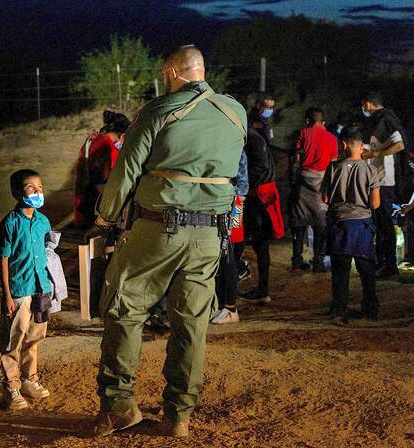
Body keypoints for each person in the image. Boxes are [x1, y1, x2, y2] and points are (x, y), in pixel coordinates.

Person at [93, 45, 246, 438]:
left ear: (173, 72)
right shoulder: (235, 112)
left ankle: (119, 406)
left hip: (158, 229)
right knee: (191, 324)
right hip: (210, 235)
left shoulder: (159, 112)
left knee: (124, 308)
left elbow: (127, 168)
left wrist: (106, 214)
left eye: (165, 75)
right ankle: (179, 414)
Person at [0, 169, 53, 410]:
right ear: (17, 192)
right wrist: (7, 295)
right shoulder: (10, 222)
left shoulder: (43, 221)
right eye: (31, 188)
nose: (37, 192)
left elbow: (50, 253)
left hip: (41, 288)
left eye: (39, 187)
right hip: (20, 290)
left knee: (35, 337)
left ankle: (30, 380)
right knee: (13, 339)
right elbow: (4, 259)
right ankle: (11, 385)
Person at [321, 126, 381, 321]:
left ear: (344, 144)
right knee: (366, 270)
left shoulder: (333, 167)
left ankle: (339, 309)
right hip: (362, 225)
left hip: (340, 224)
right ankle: (370, 308)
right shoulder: (371, 169)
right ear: (361, 146)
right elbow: (375, 203)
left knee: (340, 270)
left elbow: (325, 197)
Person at [240, 105, 285, 304]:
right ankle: (262, 288)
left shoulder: (249, 138)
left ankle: (262, 288)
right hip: (263, 193)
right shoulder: (256, 136)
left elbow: (260, 166)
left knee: (258, 243)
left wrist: (244, 184)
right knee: (260, 244)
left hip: (259, 196)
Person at [360, 92, 406, 278]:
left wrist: (373, 155)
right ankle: (382, 263)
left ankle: (389, 265)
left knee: (384, 223)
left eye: (363, 104)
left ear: (368, 103)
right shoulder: (379, 119)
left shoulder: (386, 119)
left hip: (384, 180)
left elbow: (399, 145)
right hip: (376, 178)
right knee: (379, 223)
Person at [288, 107, 337, 272]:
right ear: (323, 122)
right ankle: (318, 262)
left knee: (298, 222)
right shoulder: (332, 138)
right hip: (322, 185)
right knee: (321, 224)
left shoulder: (302, 133)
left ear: (307, 121)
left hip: (303, 182)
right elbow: (334, 165)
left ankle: (296, 260)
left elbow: (295, 159)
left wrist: (293, 180)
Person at [73, 110, 131, 229]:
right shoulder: (108, 147)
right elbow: (106, 177)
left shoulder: (93, 140)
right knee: (96, 238)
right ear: (121, 134)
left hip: (84, 197)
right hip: (96, 200)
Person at [212, 148, 248, 324]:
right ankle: (221, 305)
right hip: (229, 203)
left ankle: (230, 307)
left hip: (234, 204)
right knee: (222, 253)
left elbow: (243, 185)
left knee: (229, 252)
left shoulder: (236, 149)